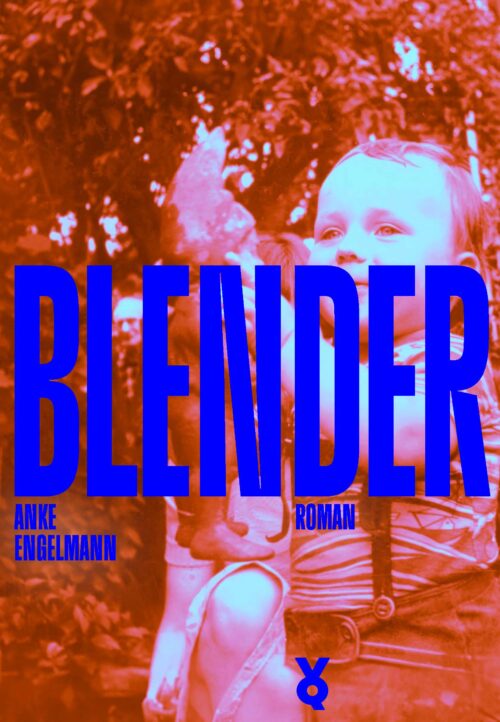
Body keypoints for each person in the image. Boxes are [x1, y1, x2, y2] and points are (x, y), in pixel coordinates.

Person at [174, 139, 500, 722]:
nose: (348, 248)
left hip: (435, 662)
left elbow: (395, 435)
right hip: (326, 655)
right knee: (237, 608)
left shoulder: (456, 362)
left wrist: (288, 343)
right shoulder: (322, 370)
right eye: (329, 233)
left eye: (388, 230)